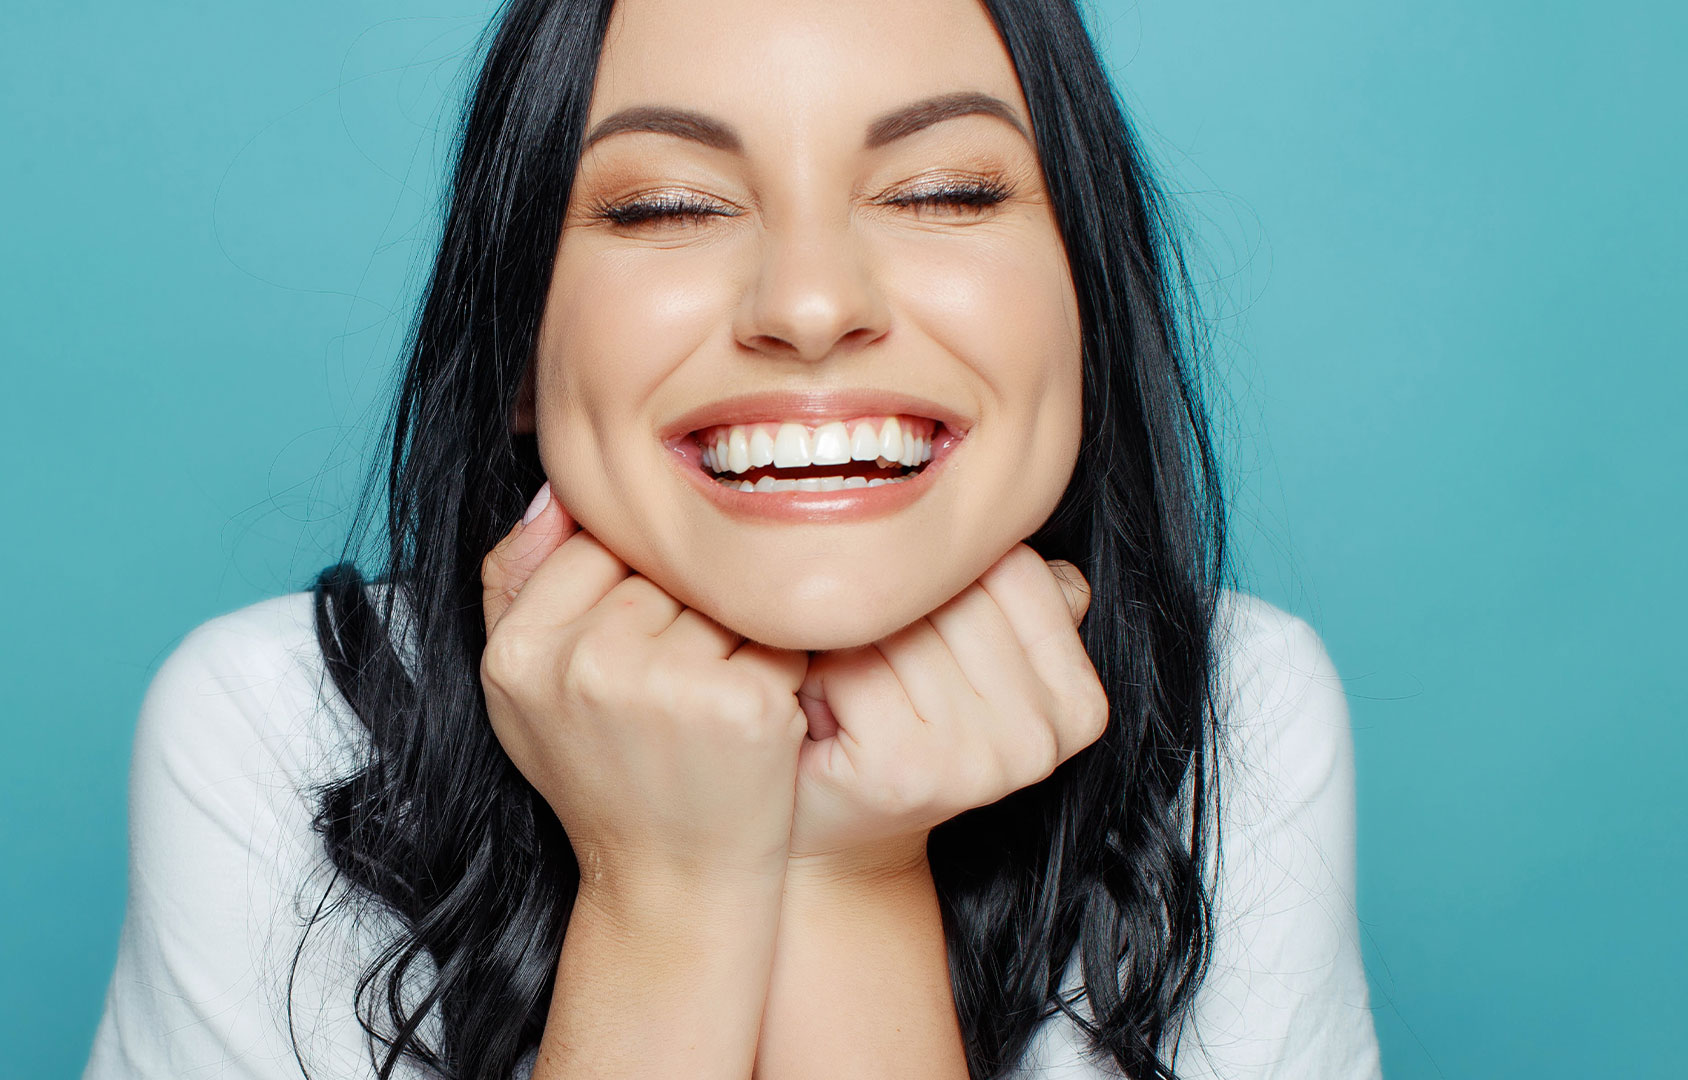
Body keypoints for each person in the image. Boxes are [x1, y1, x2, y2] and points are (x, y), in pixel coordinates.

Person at [83, 0, 1382, 1077]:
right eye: (665, 208)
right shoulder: (278, 727)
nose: (810, 305)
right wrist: (663, 893)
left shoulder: (1239, 712)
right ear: (519, 348)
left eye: (943, 190)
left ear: (1088, 303)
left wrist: (848, 879)